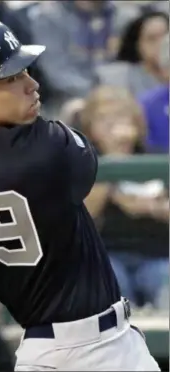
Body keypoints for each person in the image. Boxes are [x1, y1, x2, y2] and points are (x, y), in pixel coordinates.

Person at [0, 20, 160, 370]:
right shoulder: (45, 148)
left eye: (25, 71)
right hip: (92, 351)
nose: (32, 84)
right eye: (11, 79)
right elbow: (84, 162)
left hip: (49, 352)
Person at [81, 86, 169, 309]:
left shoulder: (156, 158)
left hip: (157, 254)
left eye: (121, 116)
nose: (114, 125)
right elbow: (83, 215)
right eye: (103, 119)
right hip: (108, 254)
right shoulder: (83, 162)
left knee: (163, 279)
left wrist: (151, 209)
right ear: (91, 128)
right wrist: (113, 163)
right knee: (111, 285)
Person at [97, 11, 169, 96]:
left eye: (165, 36)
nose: (161, 43)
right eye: (152, 39)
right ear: (137, 45)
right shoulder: (117, 78)